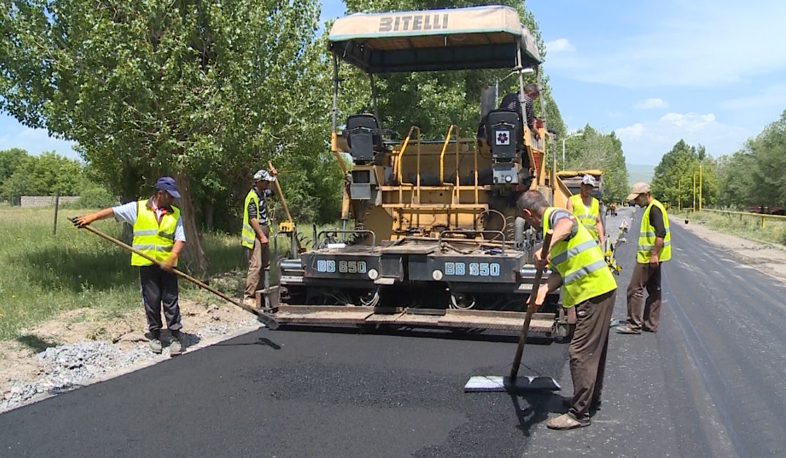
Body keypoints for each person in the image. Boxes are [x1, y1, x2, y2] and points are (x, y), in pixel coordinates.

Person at [518, 190, 617, 430]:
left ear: (528, 214)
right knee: (593, 352)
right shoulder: (551, 229)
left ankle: (579, 413)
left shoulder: (554, 216)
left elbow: (567, 223)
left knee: (579, 352)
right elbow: (560, 272)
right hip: (595, 291)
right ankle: (588, 400)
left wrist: (546, 248)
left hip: (593, 291)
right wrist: (543, 289)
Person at [74, 177, 186, 355]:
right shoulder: (138, 208)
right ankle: (155, 336)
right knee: (152, 301)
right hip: (146, 264)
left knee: (170, 300)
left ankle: (174, 336)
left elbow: (180, 238)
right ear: (160, 193)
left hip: (167, 265)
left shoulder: (175, 214)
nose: (173, 199)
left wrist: (173, 256)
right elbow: (114, 212)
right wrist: (92, 217)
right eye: (170, 195)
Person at [618, 182, 671, 334]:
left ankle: (634, 324)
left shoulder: (654, 209)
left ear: (645, 195)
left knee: (634, 289)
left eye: (637, 198)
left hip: (648, 258)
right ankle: (650, 324)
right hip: (654, 256)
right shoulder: (653, 207)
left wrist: (653, 254)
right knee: (654, 289)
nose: (635, 202)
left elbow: (660, 234)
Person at [242, 167, 278, 306]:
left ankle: (261, 293)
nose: (268, 184)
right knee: (256, 265)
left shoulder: (262, 193)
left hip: (264, 229)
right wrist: (262, 236)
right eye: (266, 182)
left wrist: (274, 178)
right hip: (255, 233)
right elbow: (252, 219)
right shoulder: (252, 197)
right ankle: (249, 296)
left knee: (265, 264)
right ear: (259, 182)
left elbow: (274, 191)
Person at [566, 175, 605, 249]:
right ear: (582, 186)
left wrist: (602, 241)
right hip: (577, 240)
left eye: (590, 188)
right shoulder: (572, 200)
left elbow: (598, 222)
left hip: (592, 240)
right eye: (586, 187)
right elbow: (568, 221)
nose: (588, 190)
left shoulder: (595, 202)